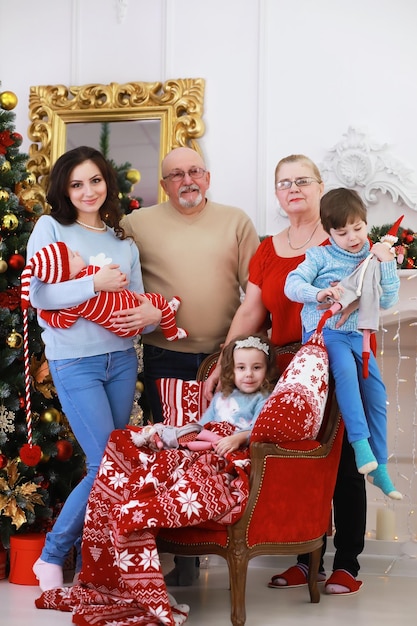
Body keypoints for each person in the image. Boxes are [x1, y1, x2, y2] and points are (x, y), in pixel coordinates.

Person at [205, 154, 368, 595]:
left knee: (345, 464)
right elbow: (251, 310)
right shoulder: (266, 248)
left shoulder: (342, 240)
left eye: (302, 180)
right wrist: (223, 364)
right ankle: (305, 557)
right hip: (286, 368)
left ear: (319, 187)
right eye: (284, 183)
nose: (293, 189)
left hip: (335, 360)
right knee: (292, 461)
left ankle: (348, 564)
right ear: (277, 194)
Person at [34, 333, 277, 625]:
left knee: (140, 484)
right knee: (124, 452)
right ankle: (100, 568)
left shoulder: (265, 399)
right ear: (231, 369)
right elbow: (202, 425)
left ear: (266, 371)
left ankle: (132, 531)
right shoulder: (224, 396)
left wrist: (238, 437)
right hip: (203, 446)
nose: (248, 374)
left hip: (225, 456)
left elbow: (261, 429)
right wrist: (177, 434)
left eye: (256, 368)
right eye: (241, 367)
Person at [114, 146, 260, 586]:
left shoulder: (236, 221)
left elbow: (255, 292)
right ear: (163, 184)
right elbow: (116, 280)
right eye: (176, 174)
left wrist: (239, 354)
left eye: (194, 171)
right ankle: (180, 560)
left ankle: (219, 544)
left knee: (224, 451)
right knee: (173, 454)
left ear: (208, 177)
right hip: (166, 356)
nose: (187, 180)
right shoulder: (136, 225)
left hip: (226, 357)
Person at [27, 146, 161, 592]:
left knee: (109, 464)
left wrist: (151, 315)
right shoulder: (51, 227)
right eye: (77, 184)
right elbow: (39, 296)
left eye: (96, 180)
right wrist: (92, 283)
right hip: (75, 361)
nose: (88, 191)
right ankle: (51, 556)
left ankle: (95, 564)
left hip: (122, 359)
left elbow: (139, 298)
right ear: (65, 189)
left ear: (108, 182)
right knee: (106, 463)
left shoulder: (122, 240)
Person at [285, 188, 402, 500]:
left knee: (377, 393)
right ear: (328, 232)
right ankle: (361, 447)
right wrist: (319, 294)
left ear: (366, 222)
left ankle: (380, 466)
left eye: (358, 228)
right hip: (327, 333)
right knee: (348, 377)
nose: (352, 237)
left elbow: (388, 300)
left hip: (358, 335)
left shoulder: (372, 257)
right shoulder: (320, 256)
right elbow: (291, 284)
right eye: (342, 231)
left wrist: (387, 263)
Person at [21, 241, 187, 341]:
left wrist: (44, 313)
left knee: (156, 305)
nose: (78, 253)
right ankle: (171, 332)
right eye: (73, 256)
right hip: (130, 315)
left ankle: (165, 314)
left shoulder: (70, 305)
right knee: (158, 300)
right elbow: (120, 279)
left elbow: (63, 321)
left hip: (125, 327)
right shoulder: (87, 279)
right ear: (67, 273)